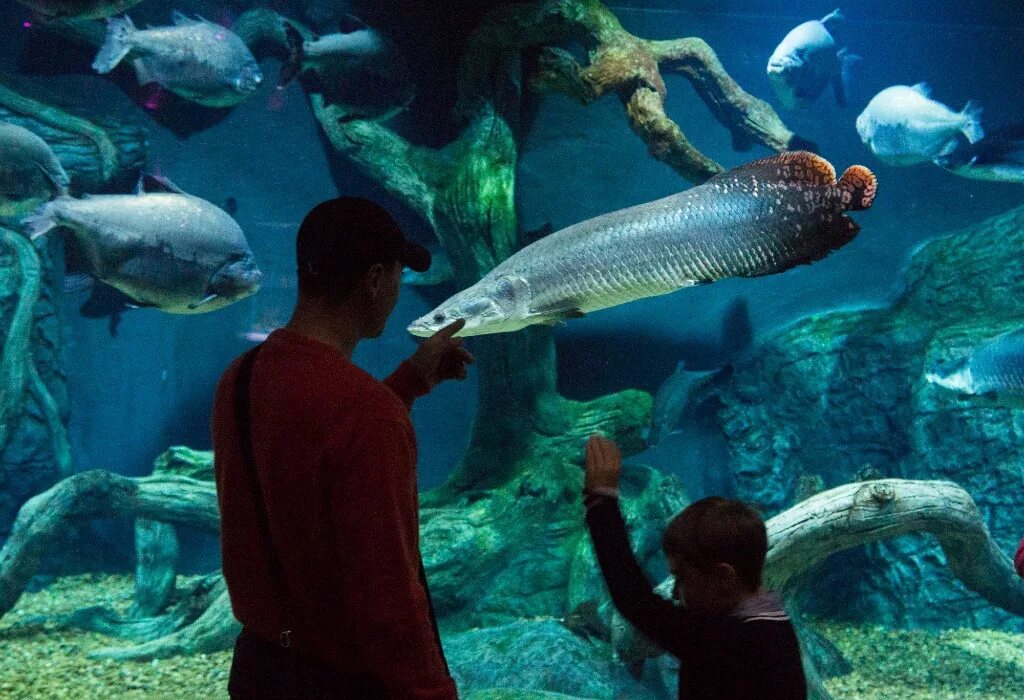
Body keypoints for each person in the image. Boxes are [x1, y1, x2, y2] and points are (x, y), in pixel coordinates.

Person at [212, 197, 472, 699]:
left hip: (259, 672)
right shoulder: (366, 414)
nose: (397, 290)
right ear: (374, 280)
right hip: (339, 683)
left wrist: (408, 383)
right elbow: (388, 599)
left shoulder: (239, 379)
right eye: (397, 275)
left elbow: (302, 463)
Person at [582, 434, 807, 699]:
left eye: (681, 577)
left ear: (724, 577)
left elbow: (635, 599)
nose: (676, 593)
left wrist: (601, 501)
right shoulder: (774, 631)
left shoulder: (726, 641)